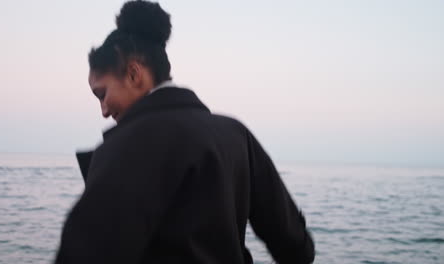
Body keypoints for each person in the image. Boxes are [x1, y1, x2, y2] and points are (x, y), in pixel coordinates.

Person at [54, 1, 315, 263]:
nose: (104, 111)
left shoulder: (126, 146)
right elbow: (295, 245)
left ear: (134, 73)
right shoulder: (235, 134)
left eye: (102, 93)